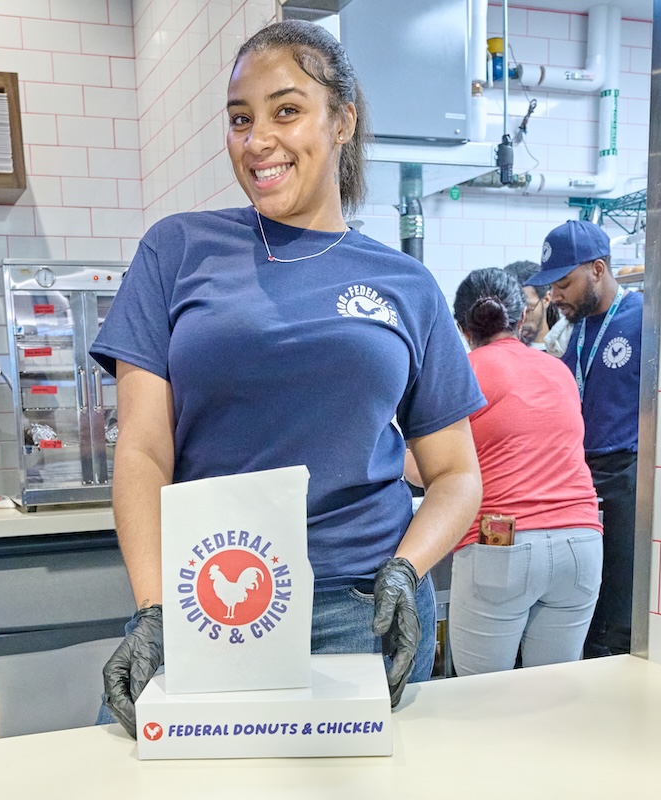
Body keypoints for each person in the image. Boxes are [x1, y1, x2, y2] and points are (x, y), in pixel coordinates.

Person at [88, 19, 485, 738]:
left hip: (360, 609)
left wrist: (407, 570)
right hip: (209, 600)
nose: (258, 140)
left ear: (343, 122)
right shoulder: (177, 250)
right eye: (241, 119)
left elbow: (456, 473)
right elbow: (143, 450)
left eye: (287, 110)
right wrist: (152, 608)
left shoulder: (406, 284)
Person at [437, 268, 603, 675]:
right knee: (553, 692)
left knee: (483, 697)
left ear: (461, 326)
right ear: (522, 316)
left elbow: (434, 469)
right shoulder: (558, 370)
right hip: (581, 541)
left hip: (501, 542)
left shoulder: (464, 373)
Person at [525, 220, 642, 658]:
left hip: (625, 478)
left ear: (597, 269)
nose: (555, 296)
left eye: (564, 284)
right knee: (576, 610)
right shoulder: (570, 331)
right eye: (551, 287)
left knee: (616, 612)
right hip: (574, 480)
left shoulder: (644, 320)